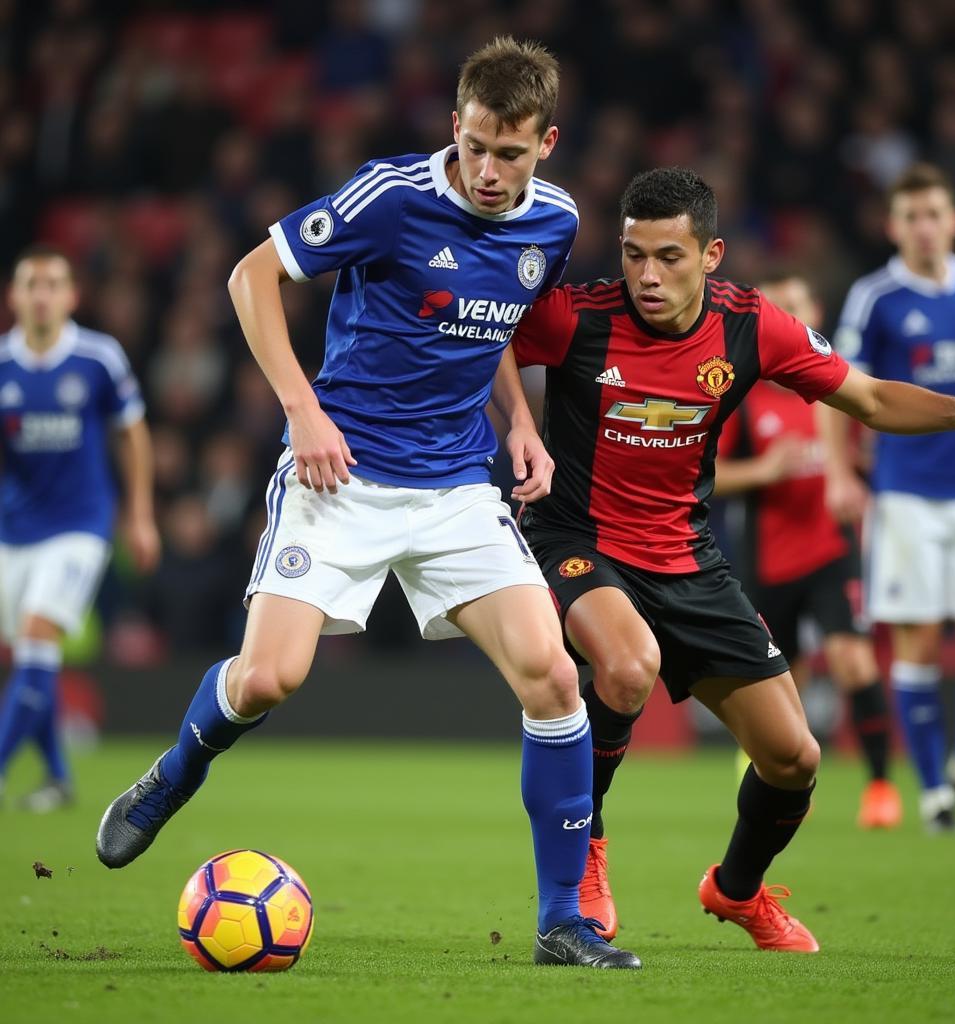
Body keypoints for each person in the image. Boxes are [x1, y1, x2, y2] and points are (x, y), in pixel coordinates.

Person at [95, 37, 640, 971]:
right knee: (269, 679)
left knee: (553, 678)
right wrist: (302, 410)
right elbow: (248, 276)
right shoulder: (390, 198)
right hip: (337, 474)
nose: (490, 171)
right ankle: (173, 774)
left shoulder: (552, 224)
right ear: (454, 128)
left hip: (458, 484)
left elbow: (494, 328)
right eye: (475, 146)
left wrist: (519, 423)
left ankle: (562, 921)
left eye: (511, 153)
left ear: (545, 142)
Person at [511, 167, 955, 953]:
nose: (647, 275)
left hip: (687, 555)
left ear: (712, 254)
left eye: (670, 257)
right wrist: (514, 423)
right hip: (580, 540)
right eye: (634, 254)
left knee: (793, 757)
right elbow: (480, 342)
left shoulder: (753, 325)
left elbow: (872, 400)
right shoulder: (576, 316)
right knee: (626, 665)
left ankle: (737, 891)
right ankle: (584, 857)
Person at [827, 162, 955, 832]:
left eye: (935, 213)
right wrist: (841, 471)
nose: (924, 227)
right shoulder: (875, 297)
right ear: (893, 225)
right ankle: (936, 792)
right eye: (911, 216)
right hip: (906, 493)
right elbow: (840, 385)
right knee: (915, 641)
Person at [714, 272, 900, 829]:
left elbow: (874, 443)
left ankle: (881, 787)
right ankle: (776, 779)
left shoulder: (837, 388)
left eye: (796, 305)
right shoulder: (742, 396)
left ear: (815, 309)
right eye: (778, 308)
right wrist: (764, 470)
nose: (789, 317)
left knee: (852, 659)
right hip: (769, 559)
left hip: (831, 549)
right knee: (781, 685)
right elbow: (708, 476)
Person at [0, 246, 159, 810]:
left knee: (38, 637)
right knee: (28, 662)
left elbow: (133, 433)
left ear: (70, 296)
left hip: (81, 526)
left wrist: (139, 515)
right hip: (14, 531)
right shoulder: (3, 366)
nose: (41, 294)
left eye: (52, 284)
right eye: (30, 284)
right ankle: (58, 779)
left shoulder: (97, 358)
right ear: (14, 296)